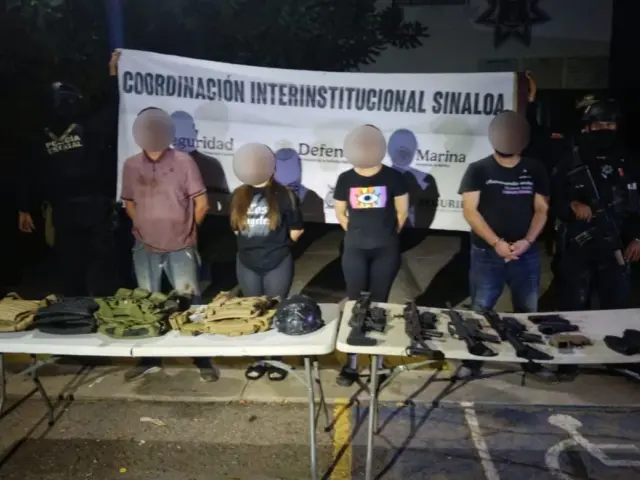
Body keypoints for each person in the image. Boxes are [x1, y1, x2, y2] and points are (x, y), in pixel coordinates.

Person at [120, 106, 218, 382]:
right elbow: (128, 203)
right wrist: (144, 227)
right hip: (144, 246)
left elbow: (202, 203)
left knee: (189, 302)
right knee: (146, 303)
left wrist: (187, 231)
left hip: (181, 245)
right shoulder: (130, 165)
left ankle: (201, 358)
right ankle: (149, 359)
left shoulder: (184, 162)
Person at [17, 55, 120, 297]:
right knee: (81, 263)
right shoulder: (80, 129)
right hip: (74, 209)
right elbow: (31, 172)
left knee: (82, 263)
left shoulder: (77, 130)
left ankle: (84, 305)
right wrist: (25, 208)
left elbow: (30, 173)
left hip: (82, 208)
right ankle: (80, 307)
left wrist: (24, 208)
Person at [333, 124, 409, 387]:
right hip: (354, 250)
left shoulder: (394, 177)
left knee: (379, 306)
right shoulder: (345, 179)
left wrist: (385, 235)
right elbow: (340, 212)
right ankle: (352, 364)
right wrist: (357, 232)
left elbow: (402, 212)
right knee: (356, 305)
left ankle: (379, 362)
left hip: (385, 251)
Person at [551, 98, 640, 310]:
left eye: (610, 124)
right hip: (579, 245)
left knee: (615, 308)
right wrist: (571, 204)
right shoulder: (572, 159)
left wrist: (638, 237)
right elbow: (551, 195)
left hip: (618, 243)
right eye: (599, 125)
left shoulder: (629, 161)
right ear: (588, 127)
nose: (604, 129)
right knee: (573, 307)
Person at [459, 110, 549, 313]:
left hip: (526, 254)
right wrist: (496, 243)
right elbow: (470, 211)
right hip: (487, 253)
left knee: (527, 313)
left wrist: (527, 241)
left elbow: (542, 209)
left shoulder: (535, 168)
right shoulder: (478, 169)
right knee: (481, 310)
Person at [230, 143, 304, 381]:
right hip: (247, 262)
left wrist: (278, 247)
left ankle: (277, 360)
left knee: (275, 310)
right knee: (252, 311)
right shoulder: (238, 194)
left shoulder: (285, 195)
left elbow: (296, 229)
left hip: (277, 261)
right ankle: (258, 360)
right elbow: (236, 229)